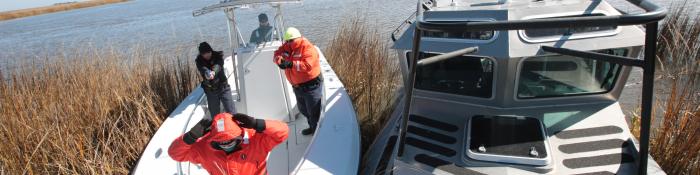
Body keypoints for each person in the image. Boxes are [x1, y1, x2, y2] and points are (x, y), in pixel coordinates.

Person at [169, 113, 289, 175]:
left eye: (231, 140)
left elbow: (283, 131)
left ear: (240, 135)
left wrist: (257, 124)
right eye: (221, 142)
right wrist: (190, 137)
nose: (226, 144)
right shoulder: (204, 148)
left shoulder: (255, 139)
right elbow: (175, 154)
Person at [273, 27, 323, 135]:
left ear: (298, 38)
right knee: (303, 110)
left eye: (291, 41)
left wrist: (290, 64)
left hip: (311, 87)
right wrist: (279, 61)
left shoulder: (308, 48)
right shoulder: (287, 46)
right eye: (287, 41)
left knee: (314, 112)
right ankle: (312, 127)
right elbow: (277, 53)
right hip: (297, 87)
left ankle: (317, 133)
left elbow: (307, 65)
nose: (289, 43)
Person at [196, 42, 236, 118]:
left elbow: (218, 65)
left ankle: (235, 127)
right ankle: (217, 128)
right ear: (201, 54)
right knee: (215, 115)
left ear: (211, 50)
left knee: (231, 111)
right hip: (210, 91)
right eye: (204, 53)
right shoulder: (199, 61)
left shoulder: (218, 56)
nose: (207, 55)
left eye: (208, 52)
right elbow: (202, 68)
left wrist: (213, 72)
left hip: (223, 87)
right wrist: (207, 72)